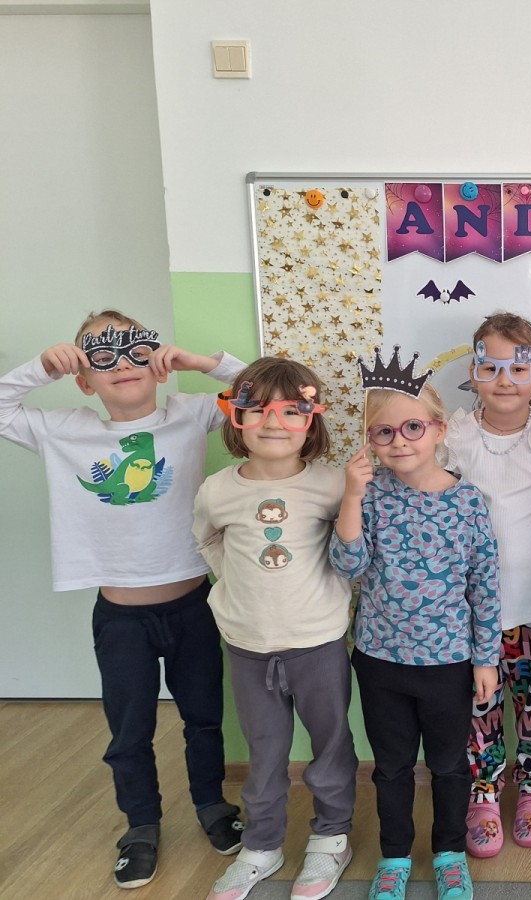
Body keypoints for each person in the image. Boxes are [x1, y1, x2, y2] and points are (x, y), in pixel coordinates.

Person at [0, 310, 246, 889]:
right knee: (129, 729)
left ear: (157, 365)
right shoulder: (62, 429)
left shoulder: (189, 414)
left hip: (193, 604)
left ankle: (212, 804)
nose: (121, 365)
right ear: (85, 381)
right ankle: (140, 825)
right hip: (121, 619)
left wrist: (202, 362)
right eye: (100, 356)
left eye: (135, 351)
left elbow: (265, 391)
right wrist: (40, 368)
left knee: (203, 717)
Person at [331, 346, 500, 900]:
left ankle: (450, 852)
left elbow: (484, 585)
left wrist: (485, 659)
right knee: (391, 767)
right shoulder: (370, 496)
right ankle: (395, 855)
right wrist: (352, 495)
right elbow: (347, 566)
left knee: (450, 766)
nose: (399, 441)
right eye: (384, 432)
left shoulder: (468, 502)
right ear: (370, 440)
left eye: (411, 427)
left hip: (448, 662)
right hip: (380, 660)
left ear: (438, 429)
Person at [193, 358, 357, 900]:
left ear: (311, 420)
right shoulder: (217, 490)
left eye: (291, 411)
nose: (273, 423)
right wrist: (237, 585)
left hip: (318, 644)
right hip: (248, 647)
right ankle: (262, 844)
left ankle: (331, 837)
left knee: (330, 745)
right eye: (257, 409)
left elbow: (353, 545)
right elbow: (207, 539)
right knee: (264, 754)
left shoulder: (332, 484)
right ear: (236, 418)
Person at [442, 313, 531, 857]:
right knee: (477, 709)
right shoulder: (454, 438)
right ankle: (482, 793)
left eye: (518, 368)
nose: (505, 380)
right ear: (473, 372)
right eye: (491, 367)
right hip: (467, 611)